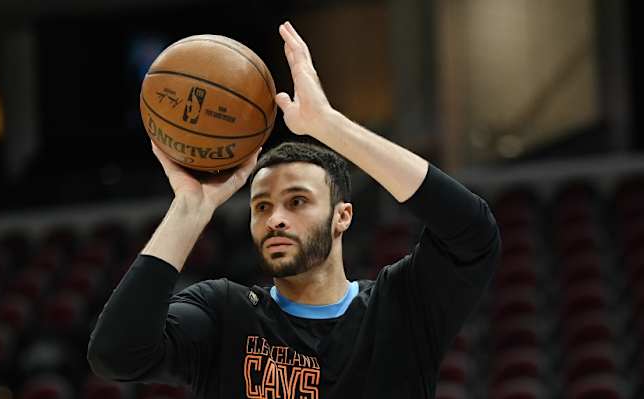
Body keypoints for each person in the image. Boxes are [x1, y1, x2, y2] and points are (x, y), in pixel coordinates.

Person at [87, 21, 501, 398]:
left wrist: (331, 128)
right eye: (261, 205)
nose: (275, 219)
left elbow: (472, 231)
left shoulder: (400, 308)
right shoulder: (224, 314)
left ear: (343, 215)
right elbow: (116, 355)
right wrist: (190, 209)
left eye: (297, 201)